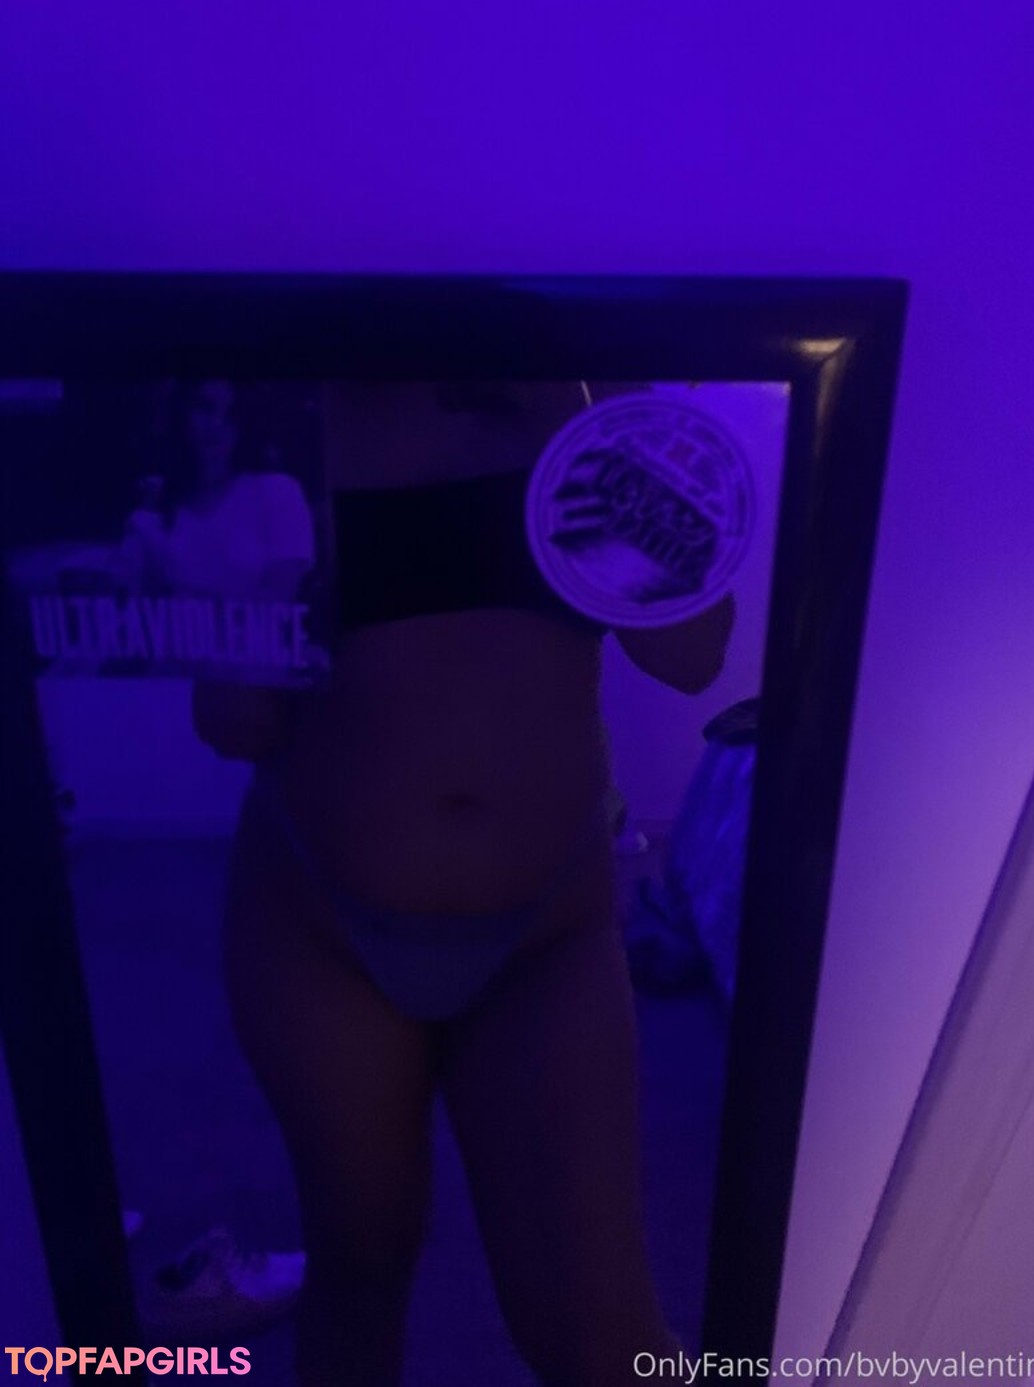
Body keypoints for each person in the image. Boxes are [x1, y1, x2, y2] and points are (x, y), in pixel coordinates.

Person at [196, 381, 736, 1386]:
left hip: (548, 932)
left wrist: (583, 420)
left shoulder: (593, 382)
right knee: (361, 1259)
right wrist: (264, 605)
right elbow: (232, 720)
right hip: (320, 924)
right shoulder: (301, 387)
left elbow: (691, 654)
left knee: (605, 1339)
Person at [121, 380, 315, 602]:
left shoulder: (278, 492)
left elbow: (278, 598)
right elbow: (137, 600)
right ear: (182, 413)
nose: (216, 424)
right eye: (205, 408)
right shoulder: (157, 505)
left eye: (230, 413)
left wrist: (180, 594)